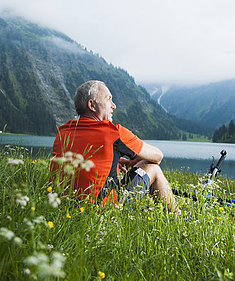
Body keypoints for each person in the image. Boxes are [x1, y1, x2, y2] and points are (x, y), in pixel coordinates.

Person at [52, 80, 179, 213]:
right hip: (105, 212)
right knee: (152, 167)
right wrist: (137, 160)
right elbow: (158, 156)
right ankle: (177, 218)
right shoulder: (113, 132)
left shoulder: (63, 132)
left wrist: (113, 159)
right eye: (109, 99)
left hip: (64, 209)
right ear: (92, 105)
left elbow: (81, 159)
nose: (114, 106)